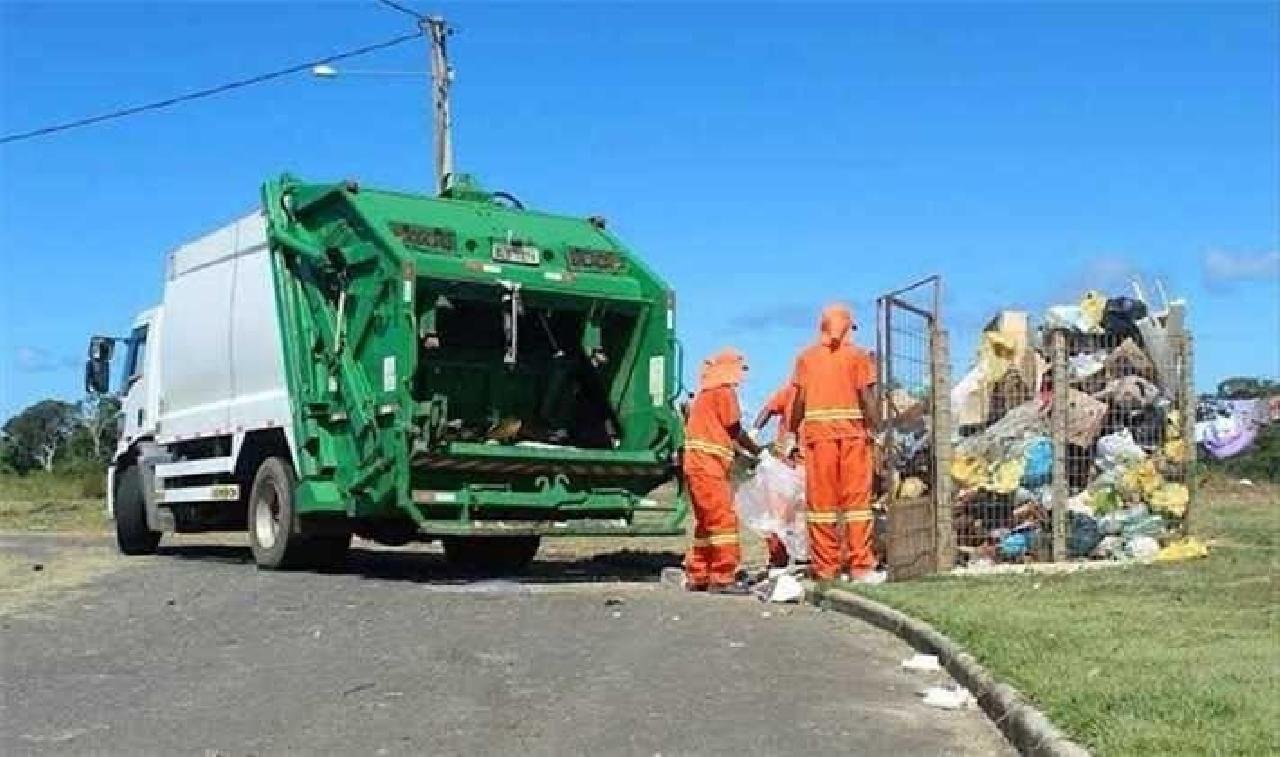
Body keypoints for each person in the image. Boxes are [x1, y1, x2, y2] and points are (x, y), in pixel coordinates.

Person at [785, 304, 884, 583]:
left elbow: (799, 401)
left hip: (818, 440)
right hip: (852, 437)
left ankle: (826, 568)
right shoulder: (858, 356)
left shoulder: (806, 358)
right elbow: (866, 396)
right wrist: (879, 429)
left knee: (821, 507)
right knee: (856, 505)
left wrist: (792, 431)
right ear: (849, 327)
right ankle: (860, 567)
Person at [683, 348, 762, 594]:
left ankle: (699, 573)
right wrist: (756, 451)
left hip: (697, 464)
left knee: (707, 523)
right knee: (723, 520)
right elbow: (734, 428)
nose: (741, 376)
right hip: (708, 465)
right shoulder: (723, 392)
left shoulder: (705, 394)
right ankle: (723, 576)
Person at [753, 378, 801, 569]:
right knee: (779, 514)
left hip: (811, 462)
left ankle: (804, 558)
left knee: (805, 516)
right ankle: (778, 560)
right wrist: (754, 432)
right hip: (787, 463)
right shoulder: (790, 391)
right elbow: (768, 409)